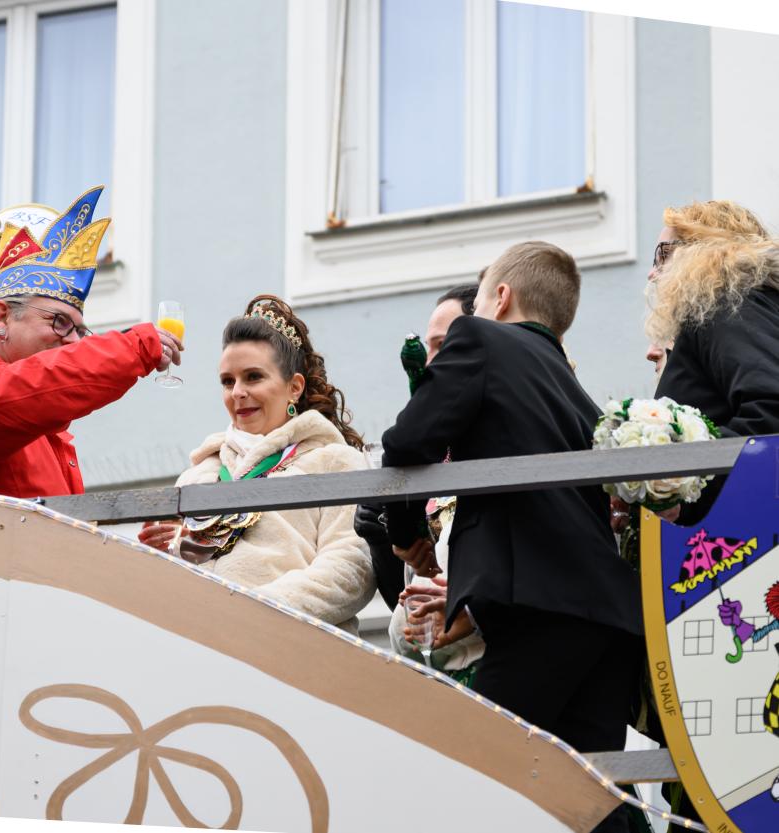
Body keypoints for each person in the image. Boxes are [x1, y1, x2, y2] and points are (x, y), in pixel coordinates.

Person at [381, 242, 642, 833]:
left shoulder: (478, 339)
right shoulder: (578, 395)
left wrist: (407, 536)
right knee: (588, 804)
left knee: (475, 772)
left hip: (541, 608)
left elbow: (406, 444)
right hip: (608, 618)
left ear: (499, 298)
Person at [0, 187, 183, 498]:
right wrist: (131, 349)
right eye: (59, 322)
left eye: (79, 331)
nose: (74, 342)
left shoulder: (41, 429)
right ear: (2, 317)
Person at [138, 295, 376, 631]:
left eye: (252, 377)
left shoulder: (335, 460)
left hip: (292, 655)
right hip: (203, 654)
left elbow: (351, 570)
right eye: (227, 381)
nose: (237, 392)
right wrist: (169, 553)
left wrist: (255, 611)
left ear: (294, 387)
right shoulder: (198, 474)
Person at [353, 284, 485, 678]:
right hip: (430, 668)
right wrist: (382, 533)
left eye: (444, 345)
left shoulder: (502, 438)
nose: (430, 364)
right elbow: (408, 591)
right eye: (428, 348)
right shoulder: (429, 453)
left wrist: (477, 605)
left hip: (499, 664)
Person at [646, 200, 779, 525]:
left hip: (738, 536)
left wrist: (684, 486)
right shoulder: (747, 305)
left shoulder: (725, 304)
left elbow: (771, 406)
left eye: (663, 253)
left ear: (701, 250)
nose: (653, 272)